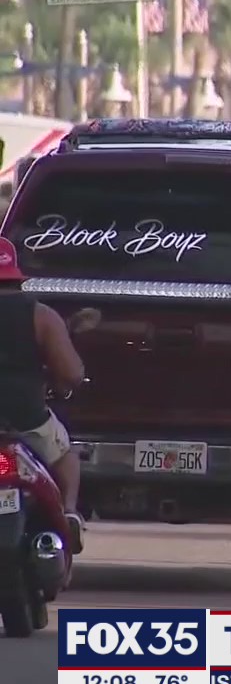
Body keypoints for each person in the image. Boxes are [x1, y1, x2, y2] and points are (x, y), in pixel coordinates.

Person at [0, 237, 86, 554]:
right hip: (27, 420)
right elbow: (71, 373)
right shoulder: (41, 316)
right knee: (66, 456)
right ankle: (68, 512)